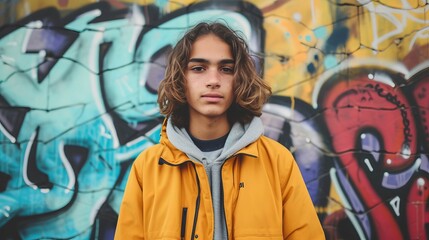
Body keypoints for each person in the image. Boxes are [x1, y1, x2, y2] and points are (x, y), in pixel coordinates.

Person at [114, 21, 325, 240]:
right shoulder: (148, 168)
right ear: (181, 78)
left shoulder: (277, 162)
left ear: (239, 79)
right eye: (198, 68)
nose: (213, 80)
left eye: (226, 69)